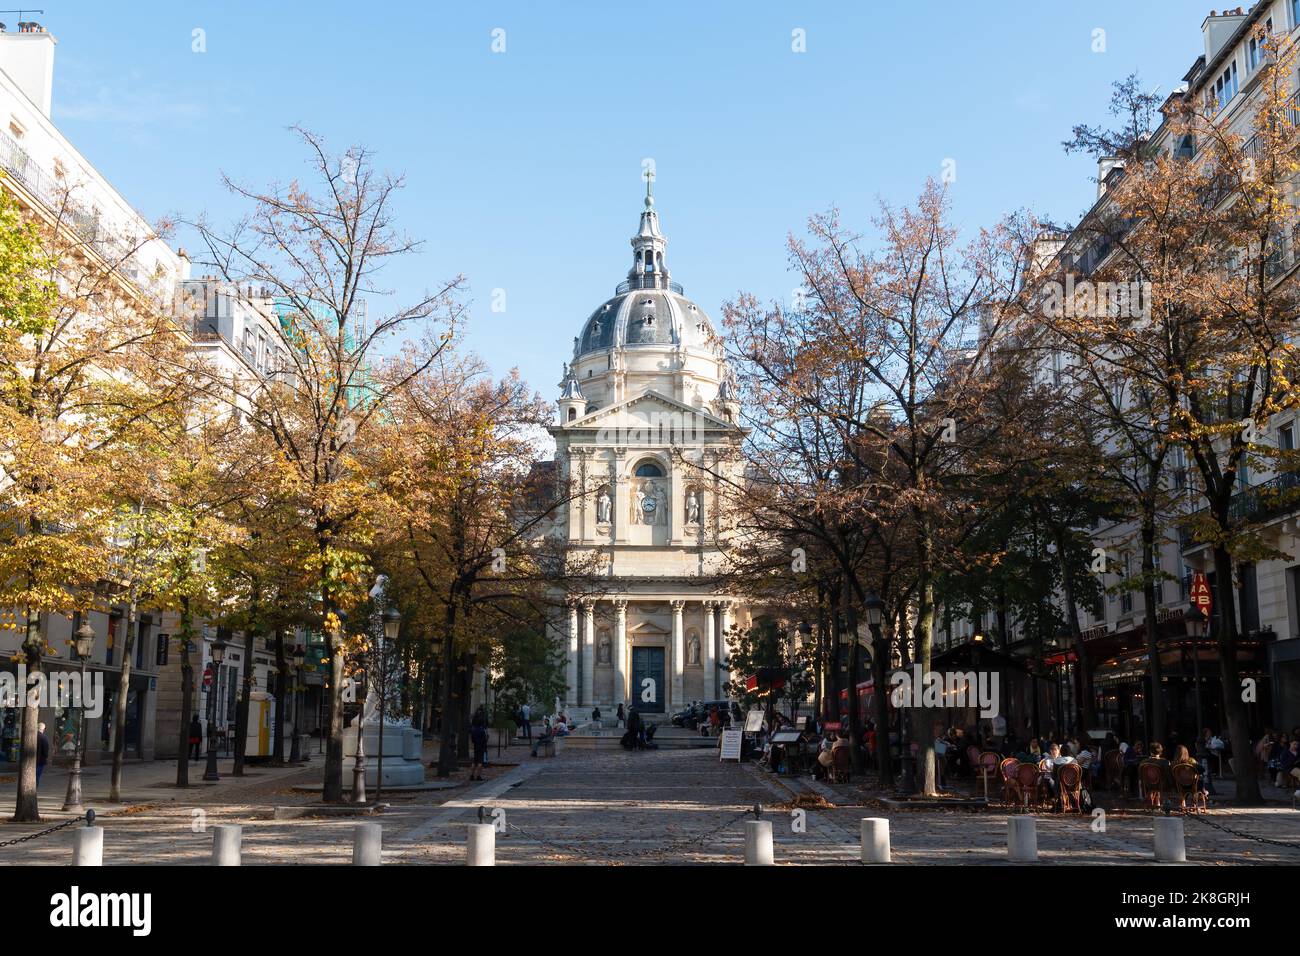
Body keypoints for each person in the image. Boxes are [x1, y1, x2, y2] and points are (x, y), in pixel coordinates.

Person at [469, 706, 488, 781]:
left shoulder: (474, 730)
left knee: (475, 761)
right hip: (481, 746)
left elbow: (472, 739)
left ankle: (472, 775)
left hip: (476, 746)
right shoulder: (482, 730)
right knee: (480, 762)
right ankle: (478, 775)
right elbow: (485, 739)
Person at [35, 722, 49, 786]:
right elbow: (46, 750)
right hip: (40, 760)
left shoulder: (33, 736)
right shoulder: (44, 737)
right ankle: (34, 788)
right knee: (37, 776)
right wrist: (46, 757)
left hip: (32, 760)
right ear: (43, 729)